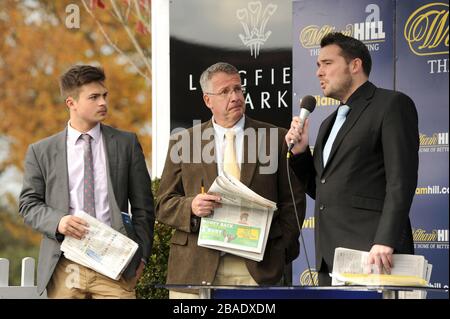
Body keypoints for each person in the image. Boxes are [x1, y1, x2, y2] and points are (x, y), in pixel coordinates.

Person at [156, 62, 306, 298]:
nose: (235, 96)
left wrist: (281, 250)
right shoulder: (183, 142)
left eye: (238, 89)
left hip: (257, 269)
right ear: (208, 100)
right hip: (195, 269)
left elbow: (293, 203)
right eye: (225, 92)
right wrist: (191, 206)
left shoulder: (275, 138)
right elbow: (163, 203)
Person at [285, 32, 419, 285]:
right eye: (317, 66)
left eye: (327, 63)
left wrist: (385, 240)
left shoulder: (391, 105)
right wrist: (301, 153)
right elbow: (322, 189)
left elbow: (401, 180)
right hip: (330, 257)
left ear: (355, 65)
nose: (319, 73)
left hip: (375, 254)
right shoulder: (327, 123)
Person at [19, 65, 155, 298]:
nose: (103, 102)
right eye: (94, 97)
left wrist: (141, 256)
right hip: (64, 264)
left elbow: (144, 207)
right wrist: (58, 221)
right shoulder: (41, 151)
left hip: (115, 266)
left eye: (104, 95)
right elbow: (28, 205)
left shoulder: (126, 144)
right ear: (70, 103)